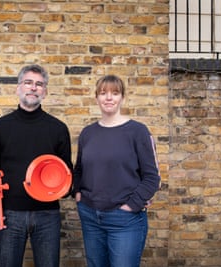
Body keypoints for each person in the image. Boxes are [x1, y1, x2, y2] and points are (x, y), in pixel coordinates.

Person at [0, 64, 73, 267]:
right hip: (10, 213)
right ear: (18, 88)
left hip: (47, 214)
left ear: (45, 92)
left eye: (39, 84)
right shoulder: (0, 127)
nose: (33, 88)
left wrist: (63, 188)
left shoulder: (58, 129)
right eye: (28, 83)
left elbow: (67, 173)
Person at [73, 74, 160, 267]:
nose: (109, 98)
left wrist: (131, 205)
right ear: (96, 98)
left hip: (125, 220)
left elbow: (152, 177)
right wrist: (78, 194)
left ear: (122, 97)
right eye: (103, 93)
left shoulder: (138, 132)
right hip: (90, 216)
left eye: (115, 93)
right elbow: (78, 169)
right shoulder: (88, 133)